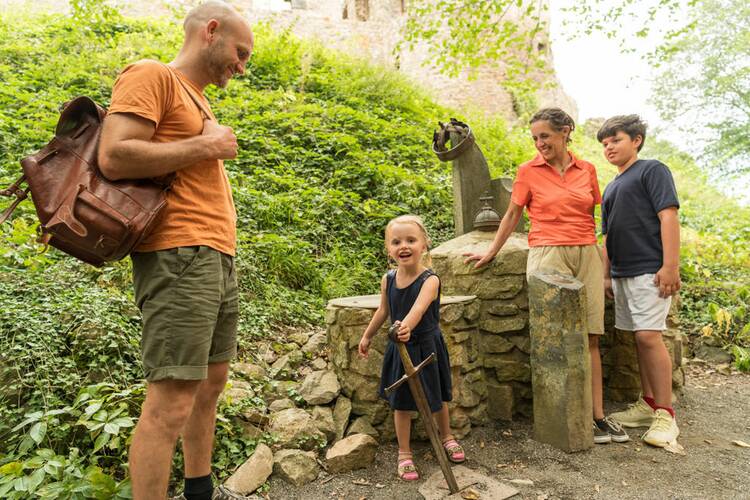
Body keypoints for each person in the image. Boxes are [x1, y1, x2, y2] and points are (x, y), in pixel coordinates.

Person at [97, 2, 253, 499]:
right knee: (170, 401)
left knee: (209, 386)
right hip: (179, 254)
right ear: (211, 31)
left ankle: (199, 490)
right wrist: (208, 146)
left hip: (213, 258)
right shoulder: (152, 75)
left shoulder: (197, 100)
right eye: (239, 52)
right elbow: (115, 155)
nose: (242, 66)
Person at [463, 108, 629, 445]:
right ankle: (560, 419)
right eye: (535, 138)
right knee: (552, 337)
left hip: (585, 252)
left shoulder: (588, 169)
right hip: (547, 252)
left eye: (545, 136)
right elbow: (512, 214)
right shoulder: (528, 171)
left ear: (565, 132)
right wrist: (492, 251)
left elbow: (593, 215)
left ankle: (597, 417)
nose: (540, 143)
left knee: (591, 335)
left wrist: (606, 267)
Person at [358, 215, 465, 481]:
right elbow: (384, 310)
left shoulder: (430, 280)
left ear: (424, 244)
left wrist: (404, 327)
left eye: (410, 240)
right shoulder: (388, 279)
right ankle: (404, 453)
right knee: (401, 403)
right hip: (399, 349)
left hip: (427, 347)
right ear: (388, 249)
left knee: (437, 396)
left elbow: (418, 309)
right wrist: (368, 335)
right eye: (396, 242)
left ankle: (447, 437)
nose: (403, 246)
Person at [597, 115, 681, 447]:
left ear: (637, 140)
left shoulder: (652, 170)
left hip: (650, 269)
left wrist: (670, 266)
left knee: (648, 337)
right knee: (637, 338)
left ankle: (666, 414)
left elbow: (668, 216)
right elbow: (607, 236)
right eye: (604, 144)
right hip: (621, 274)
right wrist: (605, 274)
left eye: (615, 140)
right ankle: (648, 405)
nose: (609, 147)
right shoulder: (611, 186)